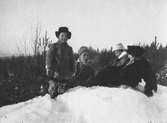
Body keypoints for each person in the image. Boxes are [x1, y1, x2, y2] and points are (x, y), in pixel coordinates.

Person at [45, 26, 74, 98]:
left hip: (65, 76)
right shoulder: (54, 47)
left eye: (66, 36)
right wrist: (49, 68)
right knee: (53, 92)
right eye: (62, 35)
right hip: (54, 74)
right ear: (58, 36)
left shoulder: (69, 49)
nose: (64, 37)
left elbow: (72, 61)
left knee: (62, 94)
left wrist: (73, 71)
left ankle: (60, 106)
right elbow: (49, 58)